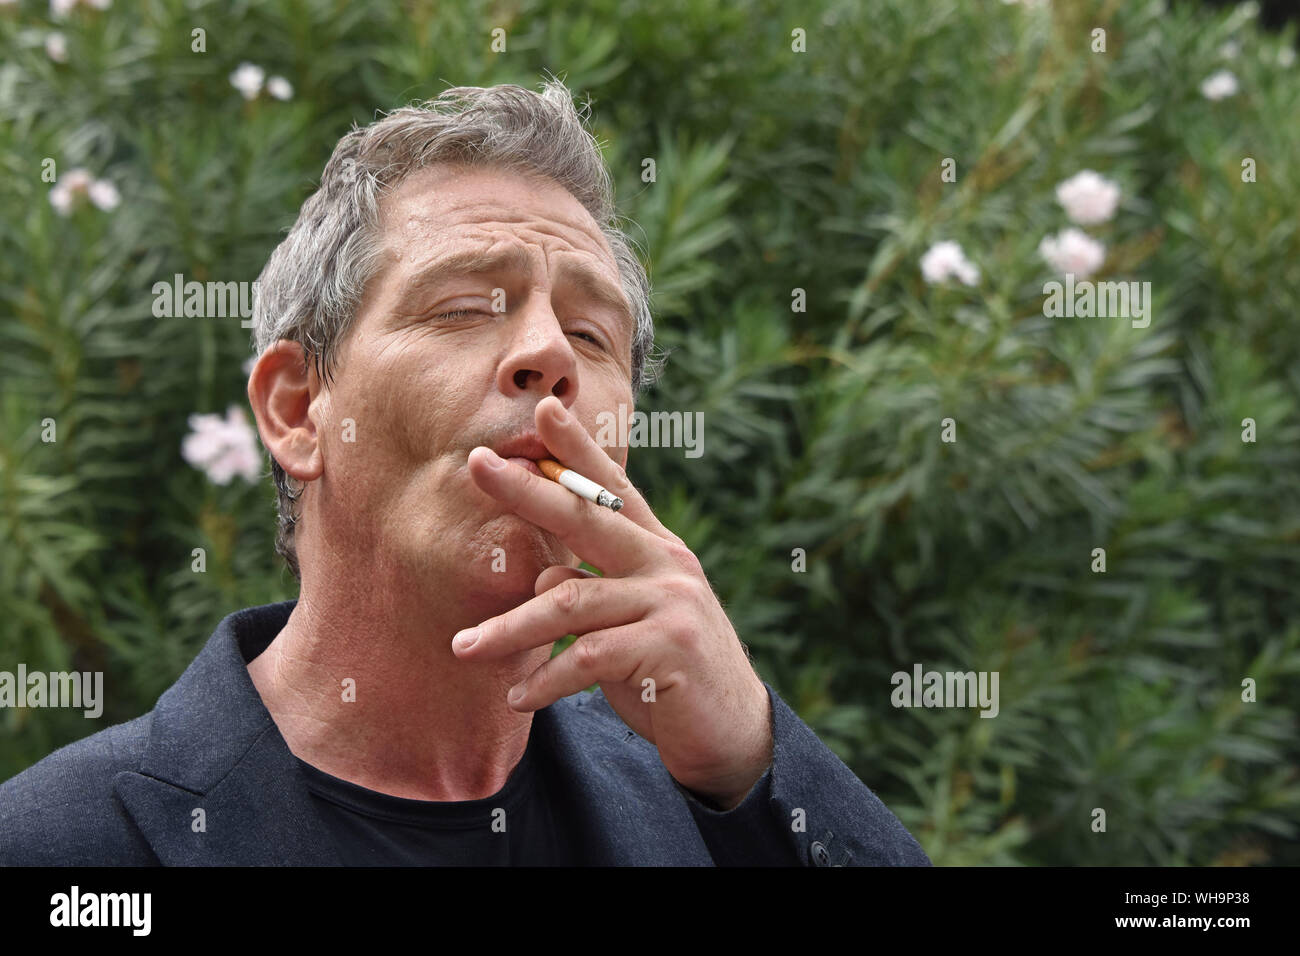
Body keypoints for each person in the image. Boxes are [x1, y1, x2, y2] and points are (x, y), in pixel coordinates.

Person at [0, 79, 929, 866]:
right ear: (296, 408)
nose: (547, 354)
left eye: (592, 332)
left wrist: (750, 758)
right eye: (461, 308)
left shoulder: (722, 813)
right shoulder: (65, 846)